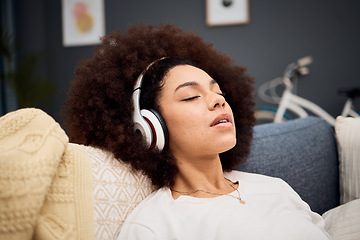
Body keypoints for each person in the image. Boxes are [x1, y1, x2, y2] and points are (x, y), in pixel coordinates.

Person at [64, 24, 330, 239]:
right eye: (191, 96)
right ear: (148, 127)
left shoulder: (277, 188)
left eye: (219, 92)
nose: (219, 101)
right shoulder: (153, 227)